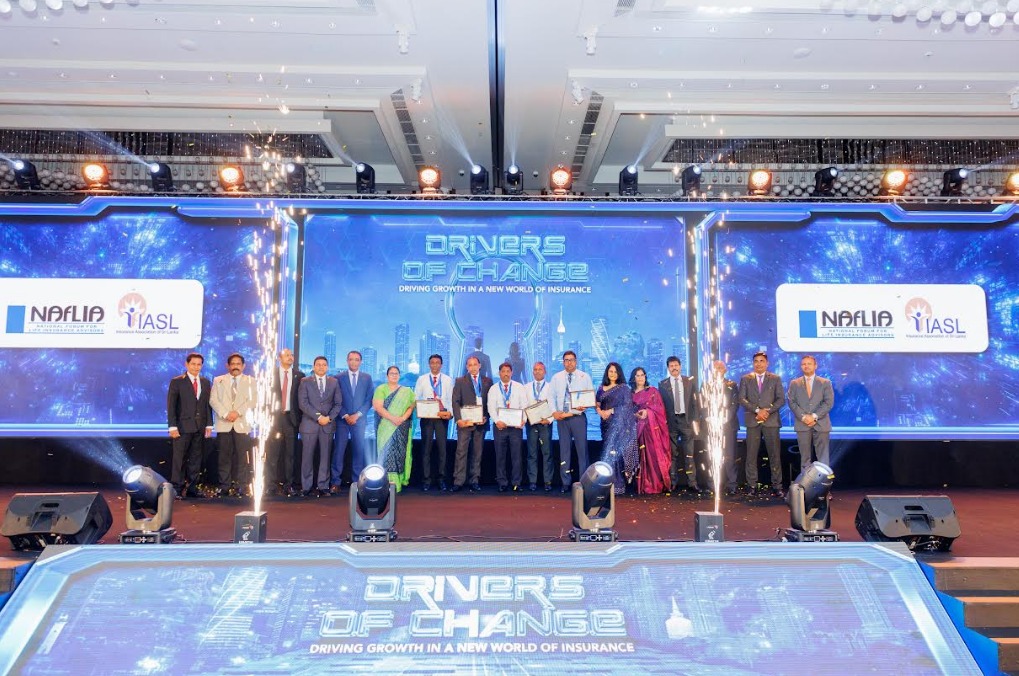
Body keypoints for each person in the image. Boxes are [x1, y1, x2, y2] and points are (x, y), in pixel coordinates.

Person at [738, 351, 786, 497]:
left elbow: (781, 399)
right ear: (753, 363)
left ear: (767, 363)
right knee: (751, 455)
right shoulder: (746, 379)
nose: (758, 364)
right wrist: (757, 410)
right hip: (753, 421)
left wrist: (767, 411)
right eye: (756, 361)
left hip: (771, 421)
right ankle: (752, 485)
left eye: (761, 361)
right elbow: (742, 399)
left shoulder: (775, 378)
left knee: (774, 455)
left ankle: (777, 486)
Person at [166, 352, 213, 498]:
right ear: (186, 364)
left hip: (199, 427)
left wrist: (209, 425)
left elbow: (207, 405)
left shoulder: (205, 382)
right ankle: (177, 489)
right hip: (182, 427)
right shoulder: (177, 382)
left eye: (199, 364)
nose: (196, 367)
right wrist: (172, 426)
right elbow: (171, 406)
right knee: (179, 459)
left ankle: (193, 489)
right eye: (193, 364)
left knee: (195, 459)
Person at [210, 353, 257, 497]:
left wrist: (237, 413)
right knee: (224, 458)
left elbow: (252, 401)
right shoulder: (218, 380)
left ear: (243, 366)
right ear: (227, 366)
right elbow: (213, 400)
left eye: (238, 364)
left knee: (243, 458)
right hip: (224, 424)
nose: (235, 366)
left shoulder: (251, 381)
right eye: (233, 364)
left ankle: (242, 486)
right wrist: (226, 414)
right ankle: (224, 486)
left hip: (242, 425)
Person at [658, 356, 703, 495]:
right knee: (672, 455)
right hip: (671, 423)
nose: (674, 368)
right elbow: (661, 406)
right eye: (671, 366)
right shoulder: (662, 384)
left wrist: (696, 420)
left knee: (689, 454)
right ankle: (673, 482)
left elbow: (695, 402)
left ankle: (692, 483)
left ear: (680, 366)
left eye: (676, 365)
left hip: (686, 422)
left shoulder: (689, 381)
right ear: (668, 368)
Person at [550, 350, 594, 492]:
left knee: (582, 451)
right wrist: (554, 412)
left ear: (576, 361)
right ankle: (565, 482)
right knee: (564, 452)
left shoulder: (584, 376)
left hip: (578, 418)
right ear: (563, 362)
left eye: (572, 360)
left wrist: (585, 405)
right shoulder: (556, 378)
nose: (569, 362)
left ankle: (583, 482)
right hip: (562, 419)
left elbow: (589, 397)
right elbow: (551, 397)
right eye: (566, 360)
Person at [298, 356, 342, 497]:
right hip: (309, 425)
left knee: (325, 457)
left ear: (327, 367)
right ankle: (306, 487)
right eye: (318, 364)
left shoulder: (334, 382)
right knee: (307, 457)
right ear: (314, 366)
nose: (321, 367)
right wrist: (318, 417)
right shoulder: (305, 381)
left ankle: (323, 486)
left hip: (327, 425)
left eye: (324, 365)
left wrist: (328, 418)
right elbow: (303, 403)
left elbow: (338, 404)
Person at [331, 350, 374, 492]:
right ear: (347, 361)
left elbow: (369, 399)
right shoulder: (338, 377)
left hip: (359, 421)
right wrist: (345, 415)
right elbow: (336, 399)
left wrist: (357, 415)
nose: (354, 362)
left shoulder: (367, 378)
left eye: (356, 359)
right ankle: (335, 482)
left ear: (361, 362)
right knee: (338, 452)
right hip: (342, 421)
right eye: (351, 359)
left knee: (358, 452)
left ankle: (357, 482)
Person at [595, 362, 638, 494]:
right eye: (610, 371)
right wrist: (600, 411)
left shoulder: (624, 388)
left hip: (619, 425)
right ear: (607, 373)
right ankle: (607, 483)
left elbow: (627, 406)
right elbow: (597, 404)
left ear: (619, 373)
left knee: (615, 453)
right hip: (605, 425)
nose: (613, 374)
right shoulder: (601, 388)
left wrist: (611, 411)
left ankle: (618, 485)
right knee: (607, 453)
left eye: (615, 372)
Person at [451, 355, 493, 492]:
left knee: (477, 453)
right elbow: (455, 401)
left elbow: (490, 402)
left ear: (479, 366)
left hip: (481, 422)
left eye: (475, 364)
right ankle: (458, 481)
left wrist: (487, 416)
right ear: (466, 367)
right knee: (461, 452)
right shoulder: (460, 381)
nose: (473, 367)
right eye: (470, 365)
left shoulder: (487, 381)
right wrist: (458, 419)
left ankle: (474, 480)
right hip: (465, 422)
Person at [787, 355, 835, 473]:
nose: (806, 366)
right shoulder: (794, 383)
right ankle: (806, 483)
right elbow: (791, 402)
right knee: (805, 458)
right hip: (802, 424)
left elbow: (828, 402)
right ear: (801, 366)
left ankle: (824, 483)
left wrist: (814, 416)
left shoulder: (825, 382)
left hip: (821, 424)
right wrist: (804, 417)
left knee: (823, 458)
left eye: (809, 364)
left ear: (815, 366)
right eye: (803, 364)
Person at [414, 353, 454, 491]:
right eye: (432, 362)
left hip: (442, 418)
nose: (435, 365)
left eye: (437, 362)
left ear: (441, 365)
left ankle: (441, 479)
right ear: (429, 364)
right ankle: (426, 480)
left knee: (442, 450)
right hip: (427, 418)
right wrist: (421, 409)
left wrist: (450, 414)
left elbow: (451, 399)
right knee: (426, 450)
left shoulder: (448, 380)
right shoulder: (422, 379)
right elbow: (416, 397)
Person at [629, 366, 672, 495]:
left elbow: (660, 409)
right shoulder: (630, 394)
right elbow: (627, 411)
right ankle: (641, 485)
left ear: (645, 376)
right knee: (639, 457)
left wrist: (648, 412)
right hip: (637, 430)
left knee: (653, 456)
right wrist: (635, 414)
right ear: (633, 378)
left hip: (651, 430)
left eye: (642, 375)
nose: (640, 378)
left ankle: (654, 484)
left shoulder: (652, 391)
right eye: (637, 375)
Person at [268, 348, 304, 496]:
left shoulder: (299, 376)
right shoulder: (271, 374)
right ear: (279, 358)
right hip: (274, 419)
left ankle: (289, 484)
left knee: (290, 454)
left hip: (291, 419)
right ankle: (271, 485)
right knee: (273, 454)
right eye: (286, 355)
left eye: (291, 355)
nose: (290, 357)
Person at [373, 366, 415, 491]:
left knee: (399, 454)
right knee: (385, 454)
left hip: (401, 427)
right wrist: (392, 418)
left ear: (399, 376)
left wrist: (402, 418)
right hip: (385, 426)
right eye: (391, 373)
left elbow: (411, 407)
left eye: (396, 373)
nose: (394, 375)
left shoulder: (407, 391)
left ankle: (397, 482)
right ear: (387, 376)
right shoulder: (381, 389)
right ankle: (385, 482)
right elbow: (378, 408)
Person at [488, 362, 529, 491]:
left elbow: (524, 405)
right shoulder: (493, 388)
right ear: (499, 373)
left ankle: (517, 482)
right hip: (500, 427)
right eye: (503, 371)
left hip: (516, 428)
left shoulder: (519, 387)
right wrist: (496, 421)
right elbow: (491, 407)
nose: (505, 374)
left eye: (508, 371)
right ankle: (502, 482)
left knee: (517, 456)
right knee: (500, 456)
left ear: (511, 373)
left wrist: (523, 420)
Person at [703, 361, 741, 495]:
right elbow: (702, 404)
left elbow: (735, 404)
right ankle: (713, 485)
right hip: (711, 425)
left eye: (720, 368)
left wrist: (725, 418)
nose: (717, 370)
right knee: (712, 457)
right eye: (714, 368)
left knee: (729, 456)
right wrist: (709, 417)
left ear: (725, 370)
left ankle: (732, 485)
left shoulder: (732, 385)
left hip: (728, 425)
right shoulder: (706, 385)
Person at [524, 361, 555, 491]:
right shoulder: (526, 387)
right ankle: (532, 481)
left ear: (545, 372)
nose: (537, 372)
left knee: (547, 453)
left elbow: (555, 405)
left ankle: (548, 481)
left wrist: (550, 419)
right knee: (532, 454)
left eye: (540, 369)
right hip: (531, 424)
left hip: (545, 424)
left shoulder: (550, 387)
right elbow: (523, 405)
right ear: (533, 372)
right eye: (535, 369)